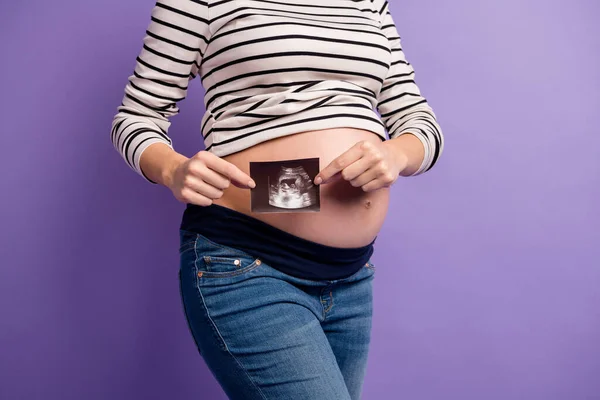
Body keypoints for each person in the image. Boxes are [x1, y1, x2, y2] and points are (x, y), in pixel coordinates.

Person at [110, 0, 444, 398]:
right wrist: (171, 169)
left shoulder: (367, 2)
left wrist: (396, 154)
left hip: (351, 277)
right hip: (248, 261)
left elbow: (419, 121)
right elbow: (135, 116)